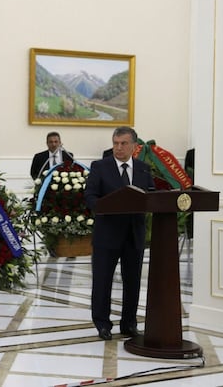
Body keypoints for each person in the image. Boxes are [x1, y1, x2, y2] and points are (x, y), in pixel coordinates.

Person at [85, 126, 154, 341]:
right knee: (102, 281)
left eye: (124, 143)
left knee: (132, 282)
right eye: (115, 143)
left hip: (134, 235)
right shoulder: (100, 167)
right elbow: (90, 196)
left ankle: (129, 324)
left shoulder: (143, 169)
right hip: (107, 234)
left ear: (134, 146)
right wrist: (103, 207)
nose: (119, 147)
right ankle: (102, 325)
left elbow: (151, 196)